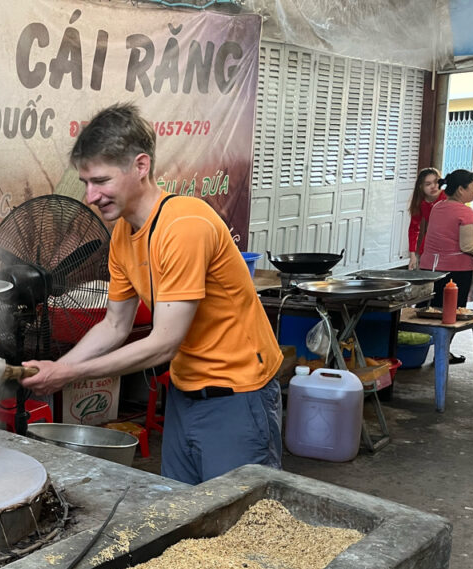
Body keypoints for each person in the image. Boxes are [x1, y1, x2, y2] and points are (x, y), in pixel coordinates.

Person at [20, 104, 283, 485]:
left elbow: (163, 343)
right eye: (85, 182)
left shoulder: (184, 225)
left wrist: (71, 372)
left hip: (238, 396)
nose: (91, 196)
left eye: (101, 181)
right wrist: (59, 370)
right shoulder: (122, 236)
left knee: (240, 528)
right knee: (181, 517)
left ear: (141, 166)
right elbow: (114, 324)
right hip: (184, 392)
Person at [407, 167, 446, 269]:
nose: (433, 186)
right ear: (421, 187)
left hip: (448, 241)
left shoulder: (448, 196)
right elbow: (414, 228)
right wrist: (412, 255)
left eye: (436, 182)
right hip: (430, 242)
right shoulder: (420, 202)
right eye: (428, 184)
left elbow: (462, 210)